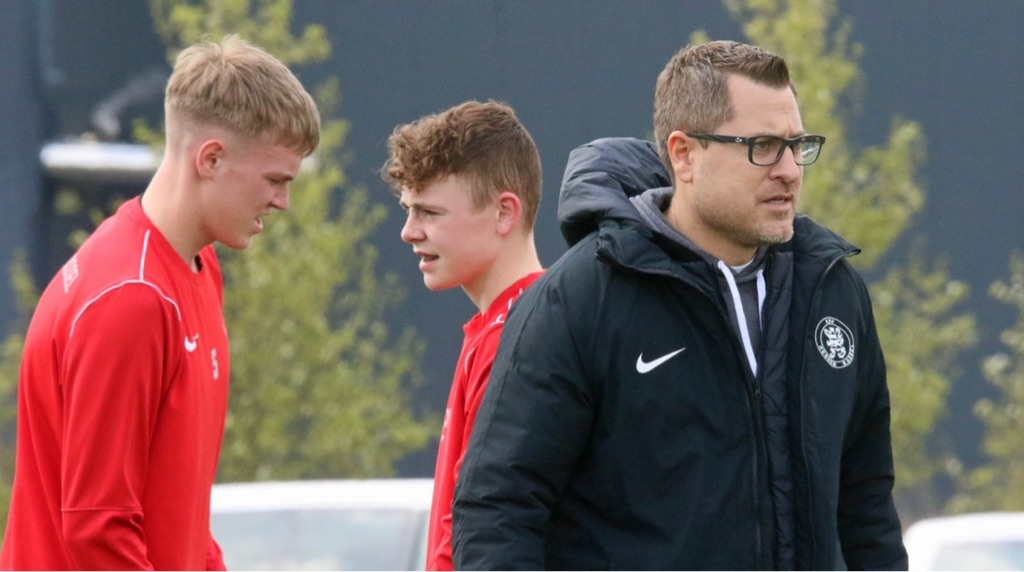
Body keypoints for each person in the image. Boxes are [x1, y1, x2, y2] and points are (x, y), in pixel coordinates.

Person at [452, 41, 907, 570]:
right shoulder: (581, 299)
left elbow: (867, 511)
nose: (789, 170)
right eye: (762, 146)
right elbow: (498, 512)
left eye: (797, 145)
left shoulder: (833, 292)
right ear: (684, 155)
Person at [0, 35, 319, 570]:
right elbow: (98, 531)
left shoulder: (197, 267)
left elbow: (183, 521)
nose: (282, 201)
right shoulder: (132, 297)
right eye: (274, 180)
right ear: (211, 158)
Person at [381, 100, 544, 571]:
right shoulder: (502, 326)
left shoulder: (520, 337)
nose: (409, 232)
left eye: (430, 212)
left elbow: (478, 525)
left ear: (504, 213)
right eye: (409, 210)